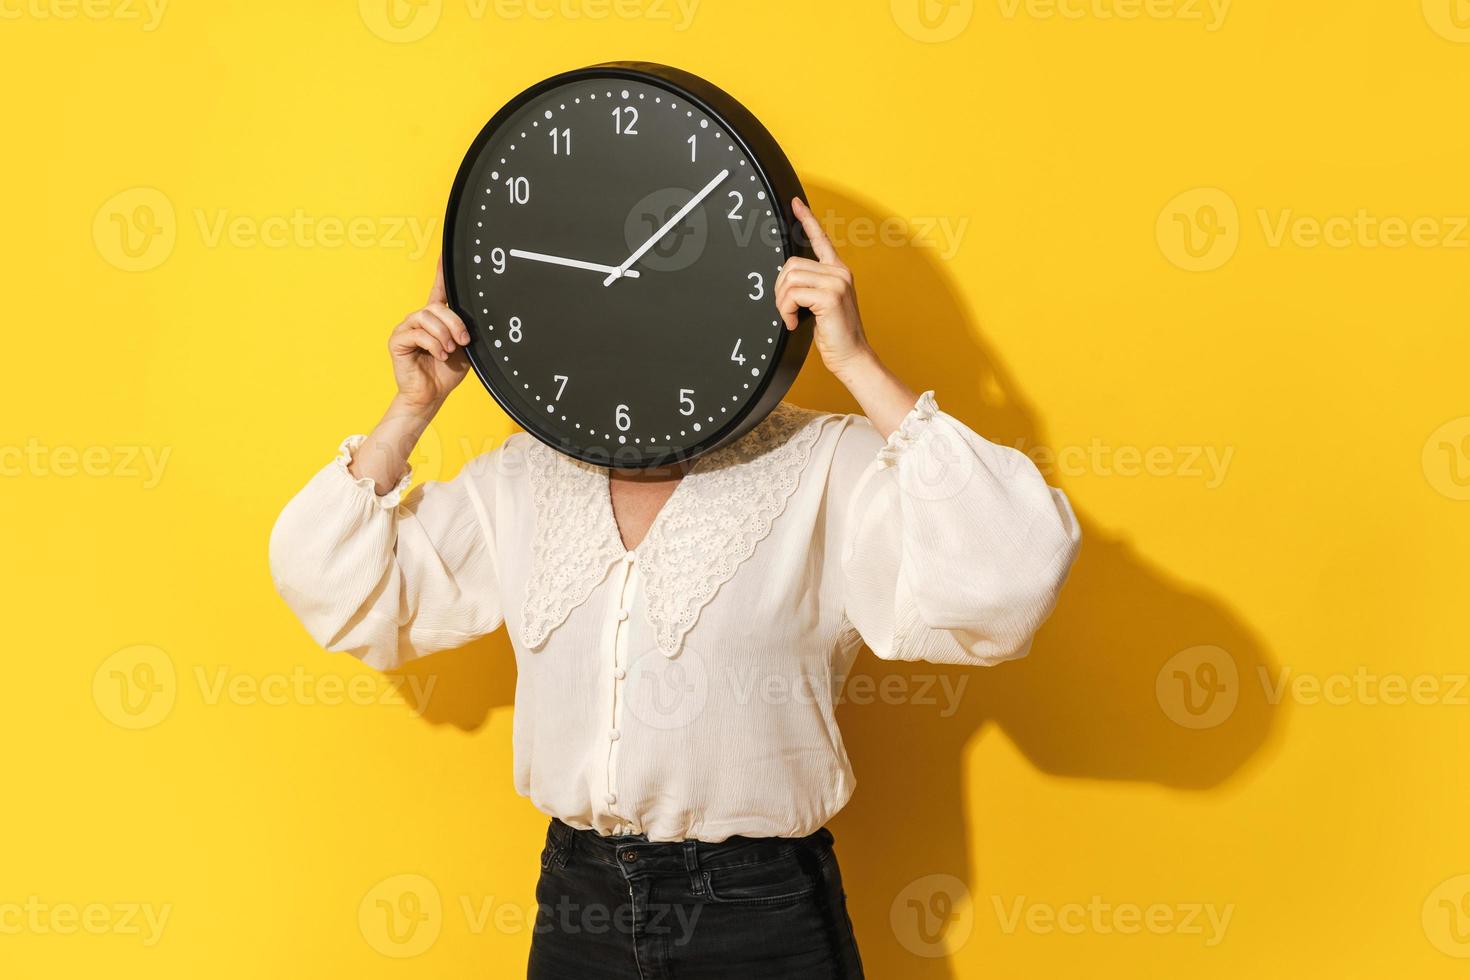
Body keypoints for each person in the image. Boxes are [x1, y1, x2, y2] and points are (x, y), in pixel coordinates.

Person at [269, 199, 1081, 978]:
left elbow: (1010, 571)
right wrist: (411, 411)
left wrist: (858, 364)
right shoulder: (522, 478)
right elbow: (338, 589)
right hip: (576, 907)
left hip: (762, 916)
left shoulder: (825, 465)